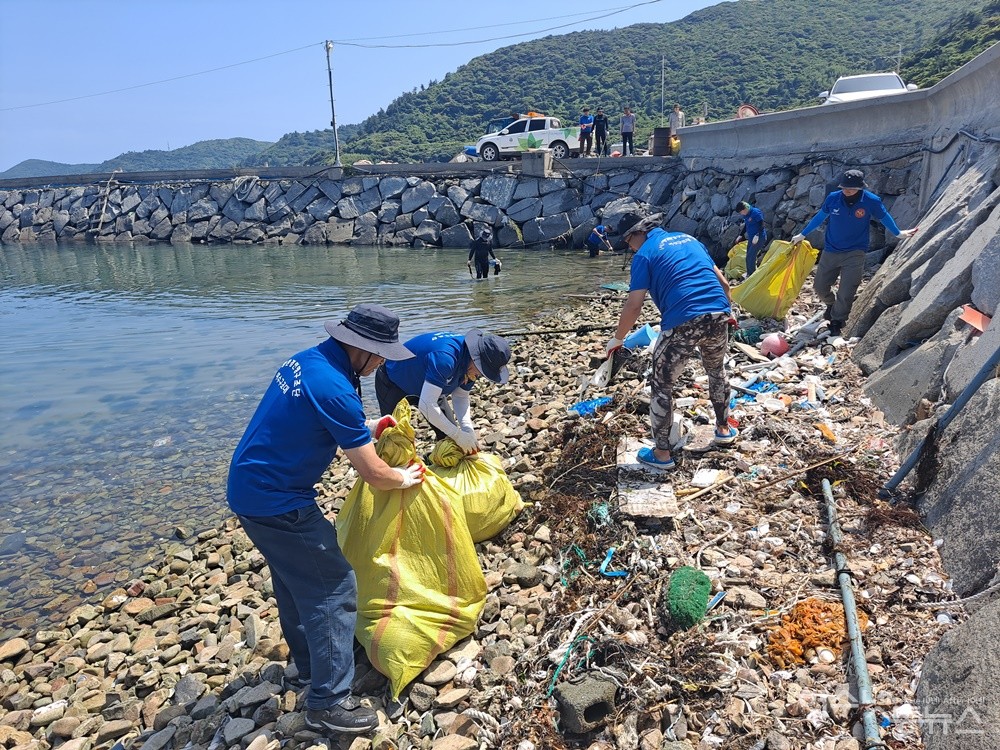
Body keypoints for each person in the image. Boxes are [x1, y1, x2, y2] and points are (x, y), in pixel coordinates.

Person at [227, 304, 425, 737]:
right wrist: (403, 476)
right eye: (382, 356)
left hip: (248, 488)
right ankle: (329, 703)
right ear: (363, 349)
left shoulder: (306, 361)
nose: (383, 364)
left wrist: (369, 425)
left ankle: (308, 665)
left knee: (295, 579)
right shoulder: (333, 383)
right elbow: (373, 474)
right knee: (333, 586)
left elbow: (324, 416)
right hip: (277, 500)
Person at [607, 214, 737, 469]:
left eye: (627, 242)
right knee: (716, 372)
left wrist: (617, 339)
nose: (629, 248)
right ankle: (723, 430)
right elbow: (723, 282)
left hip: (683, 322)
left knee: (661, 385)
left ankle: (662, 454)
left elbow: (634, 305)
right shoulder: (689, 240)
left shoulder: (644, 255)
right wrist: (728, 312)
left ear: (636, 235)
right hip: (718, 315)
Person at [791, 169, 918, 336]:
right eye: (844, 188)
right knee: (820, 287)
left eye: (851, 188)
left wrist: (898, 233)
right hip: (831, 250)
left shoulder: (871, 201)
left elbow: (884, 216)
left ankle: (837, 321)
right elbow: (820, 217)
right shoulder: (833, 198)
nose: (847, 191)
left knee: (847, 290)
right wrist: (802, 234)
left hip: (855, 252)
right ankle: (831, 304)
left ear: (860, 188)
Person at [375, 329, 511, 450]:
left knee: (449, 440)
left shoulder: (471, 366)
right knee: (393, 440)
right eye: (483, 371)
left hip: (432, 385)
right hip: (394, 381)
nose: (482, 375)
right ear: (476, 359)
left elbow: (461, 397)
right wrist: (457, 434)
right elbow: (427, 405)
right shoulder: (445, 358)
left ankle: (436, 463)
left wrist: (467, 428)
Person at [736, 201, 768, 276]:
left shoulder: (755, 212)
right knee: (748, 256)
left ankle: (752, 275)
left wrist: (757, 235)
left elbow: (762, 224)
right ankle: (750, 273)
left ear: (744, 209)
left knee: (751, 256)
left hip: (759, 238)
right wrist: (740, 235)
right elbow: (747, 225)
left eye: (741, 212)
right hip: (751, 238)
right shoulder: (746, 215)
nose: (741, 214)